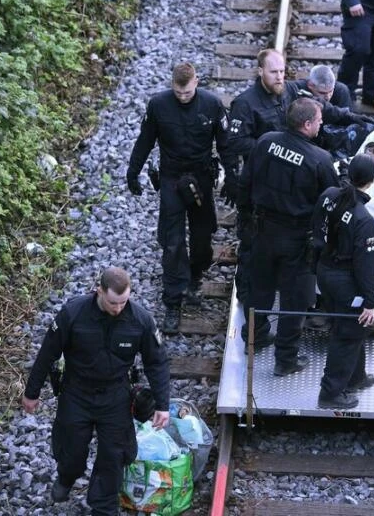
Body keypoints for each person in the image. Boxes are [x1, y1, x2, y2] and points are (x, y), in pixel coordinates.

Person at [21, 267, 170, 514]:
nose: (118, 308)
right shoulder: (73, 313)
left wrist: (162, 405)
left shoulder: (140, 320)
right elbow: (47, 353)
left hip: (115, 395)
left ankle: (103, 507)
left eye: (124, 302)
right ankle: (67, 477)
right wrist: (31, 392)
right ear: (98, 291)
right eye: (113, 302)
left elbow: (157, 362)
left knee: (114, 455)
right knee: (72, 451)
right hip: (76, 393)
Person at [127, 62, 235, 333]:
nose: (182, 97)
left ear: (196, 82)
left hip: (200, 178)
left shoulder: (212, 105)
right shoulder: (158, 105)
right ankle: (173, 301)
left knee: (202, 238)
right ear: (172, 85)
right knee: (173, 243)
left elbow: (225, 144)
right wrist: (133, 171)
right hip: (172, 179)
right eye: (178, 92)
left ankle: (195, 279)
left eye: (186, 93)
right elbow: (145, 140)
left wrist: (233, 177)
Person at [237, 98, 340, 374]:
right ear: (307, 125)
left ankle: (255, 335)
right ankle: (286, 359)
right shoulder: (320, 160)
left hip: (262, 230)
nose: (321, 124)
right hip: (297, 239)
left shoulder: (265, 142)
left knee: (260, 287)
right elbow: (333, 202)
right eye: (319, 120)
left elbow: (245, 181)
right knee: (295, 299)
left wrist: (245, 218)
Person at [313, 154, 374, 409]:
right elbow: (366, 267)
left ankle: (356, 376)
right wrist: (370, 303)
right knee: (348, 334)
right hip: (345, 280)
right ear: (371, 182)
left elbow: (316, 231)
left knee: (348, 326)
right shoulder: (364, 220)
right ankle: (330, 393)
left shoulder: (329, 195)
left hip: (324, 271)